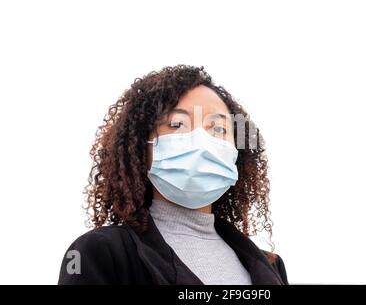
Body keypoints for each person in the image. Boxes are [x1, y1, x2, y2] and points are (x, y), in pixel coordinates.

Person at [58, 65, 288, 285]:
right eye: (177, 124)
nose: (201, 141)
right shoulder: (99, 252)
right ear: (140, 146)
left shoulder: (271, 265)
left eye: (218, 129)